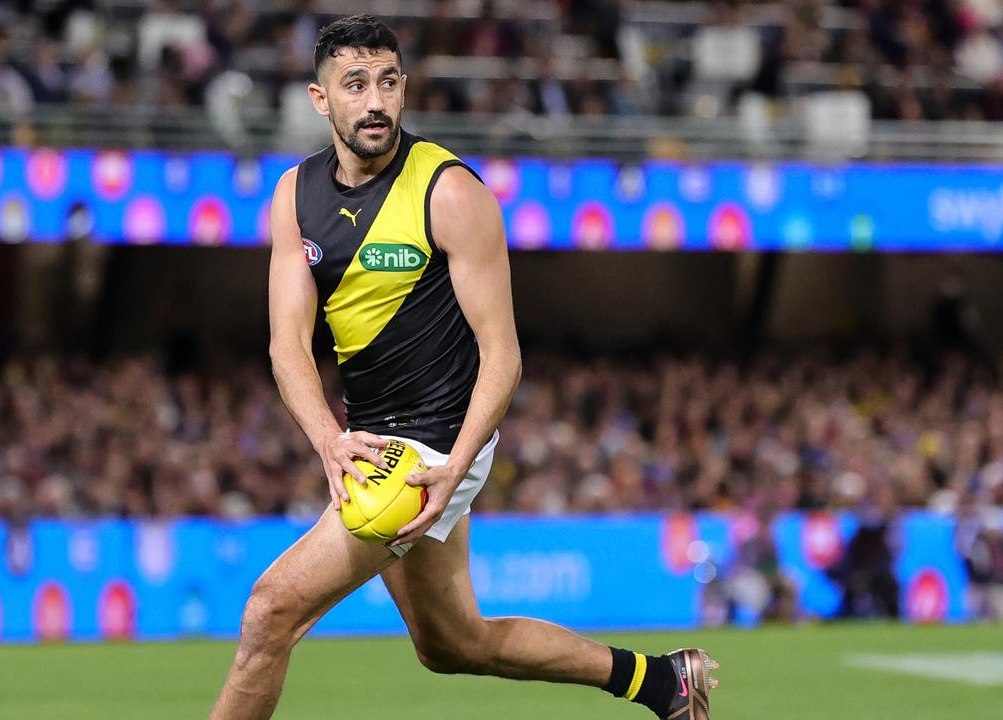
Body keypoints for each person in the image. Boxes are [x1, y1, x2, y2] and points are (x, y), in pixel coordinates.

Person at [209, 15, 718, 719]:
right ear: (320, 100)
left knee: (270, 612)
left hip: (431, 447)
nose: (376, 100)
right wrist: (327, 439)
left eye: (388, 81)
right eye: (355, 84)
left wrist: (457, 463)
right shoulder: (295, 197)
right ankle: (662, 681)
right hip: (372, 441)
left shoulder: (449, 192)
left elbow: (503, 354)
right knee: (452, 644)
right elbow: (286, 344)